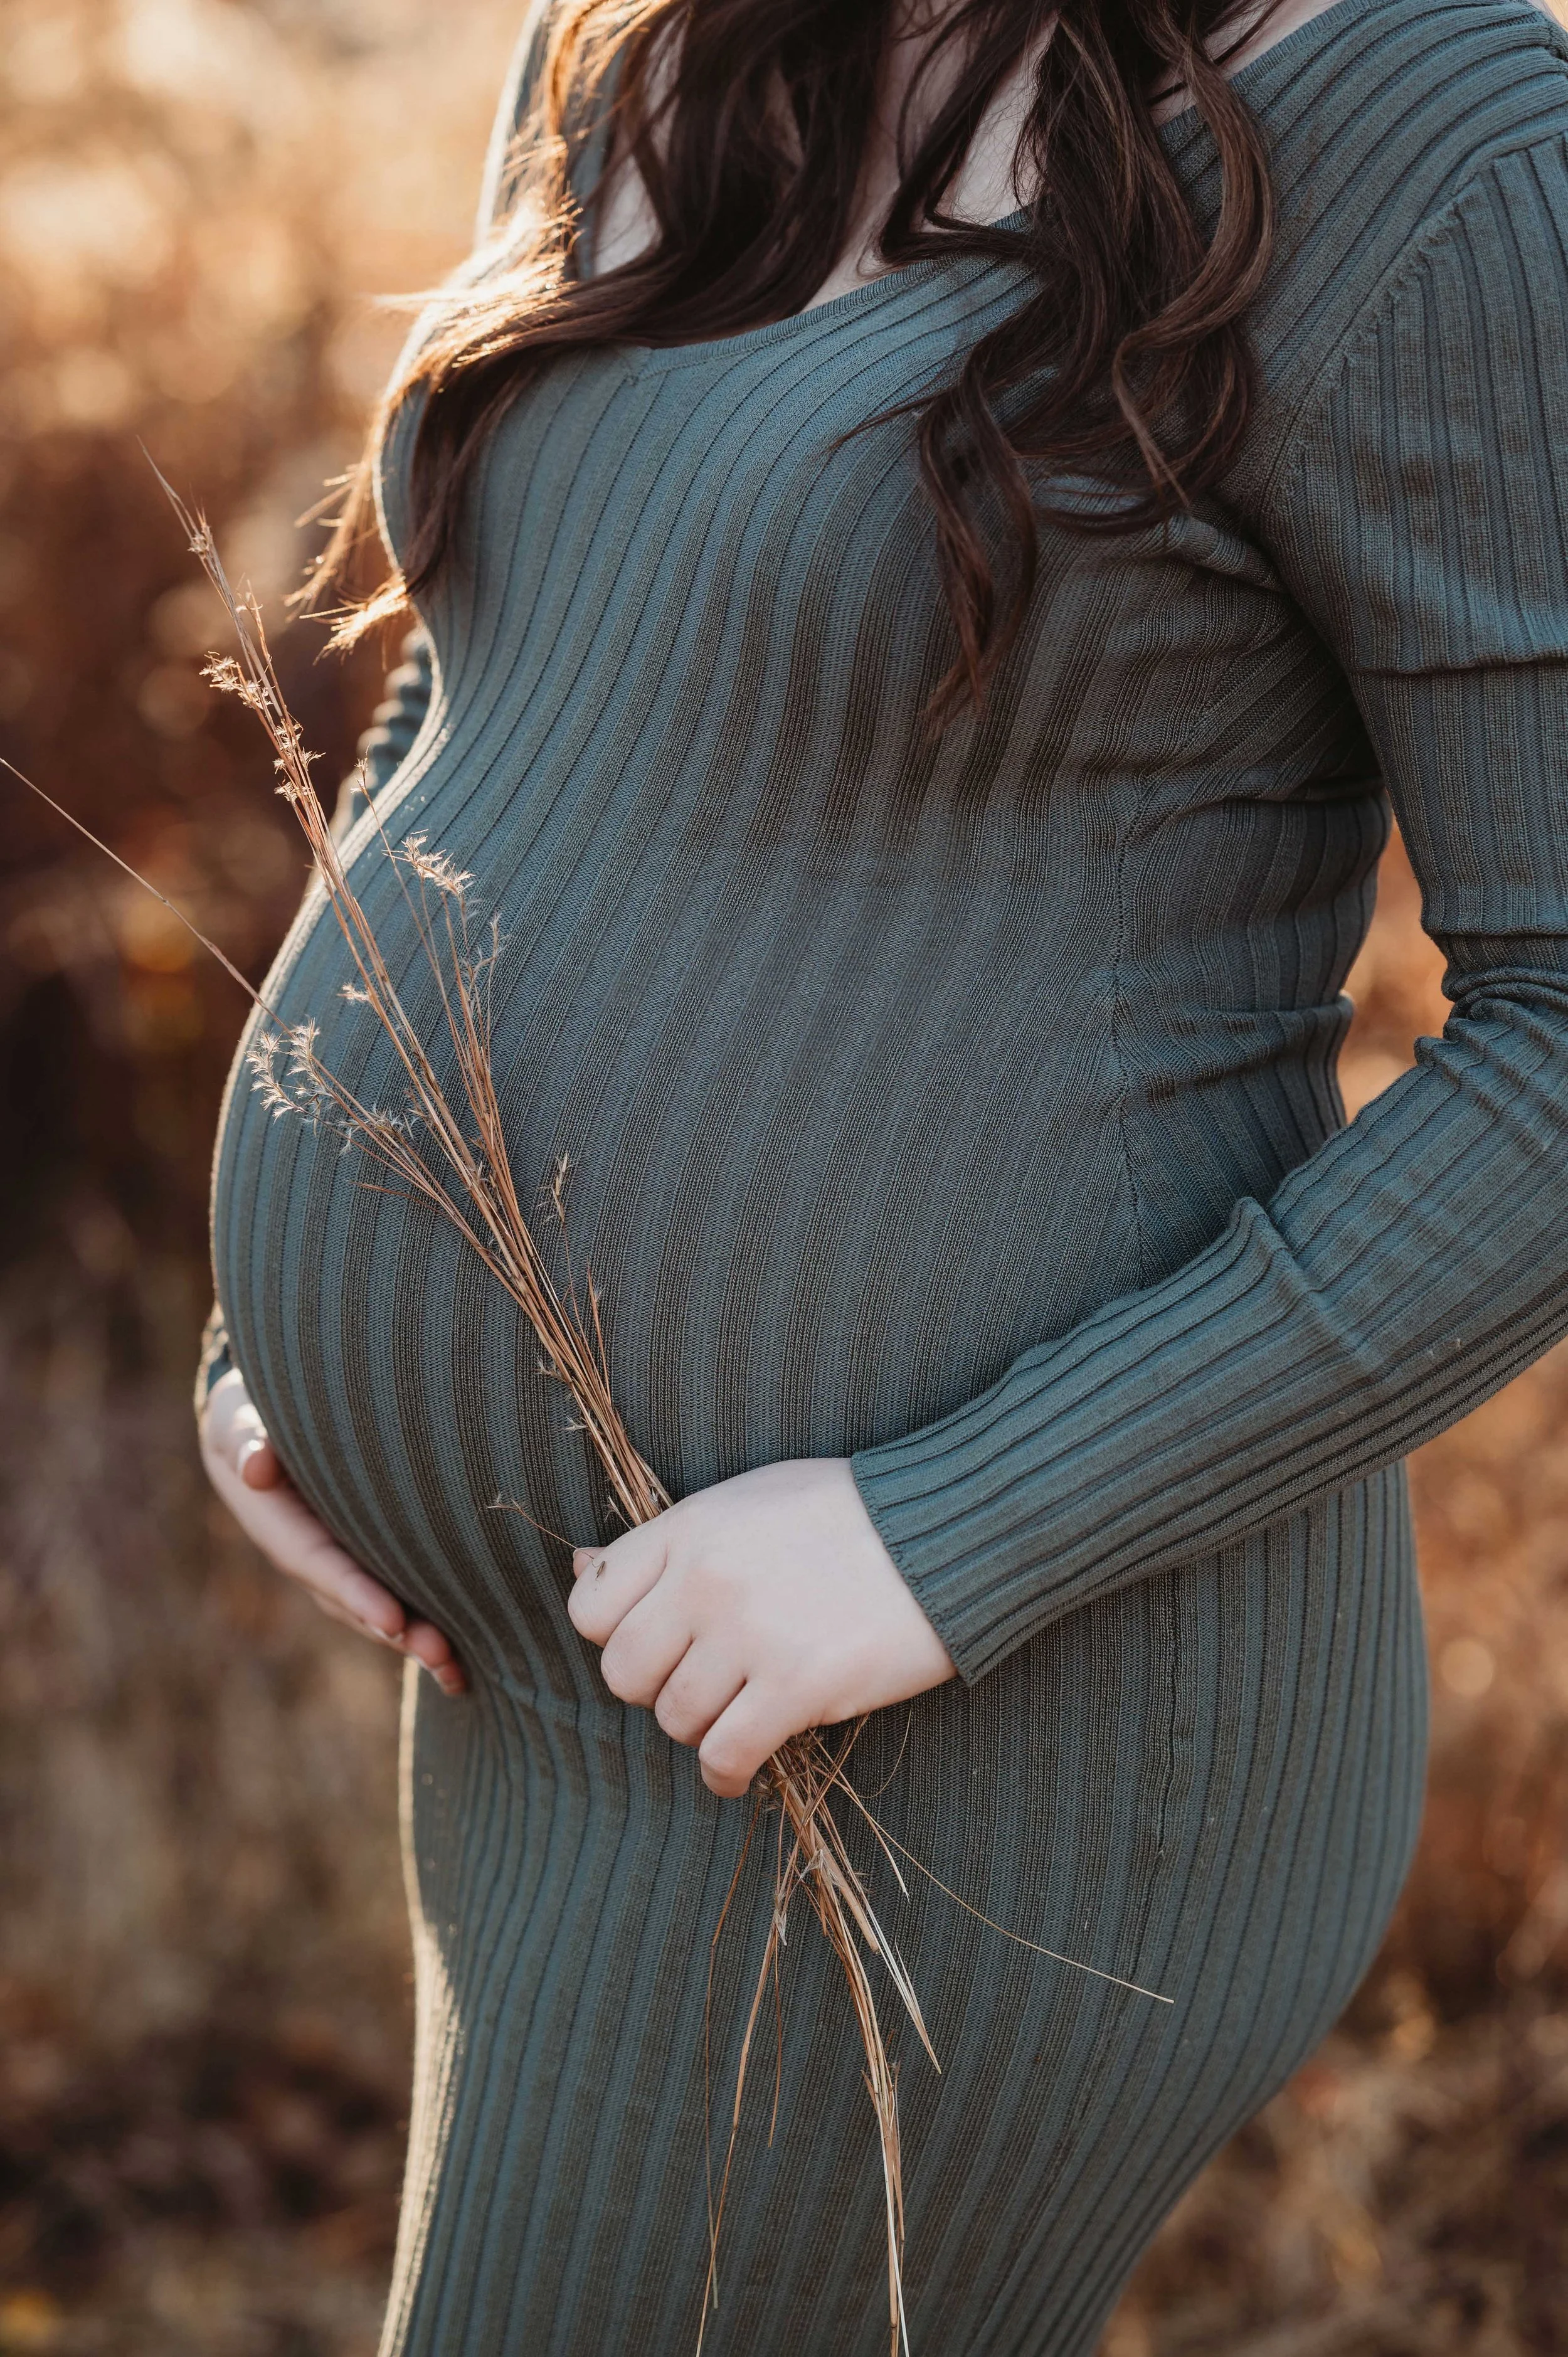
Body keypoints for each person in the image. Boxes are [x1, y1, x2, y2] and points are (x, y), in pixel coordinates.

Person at [197, 0, 1568, 2346]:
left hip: (967, 1740)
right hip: (580, 1691)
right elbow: (501, 653)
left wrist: (953, 1531)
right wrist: (296, 1300)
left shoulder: (1424, 132)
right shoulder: (656, 44)